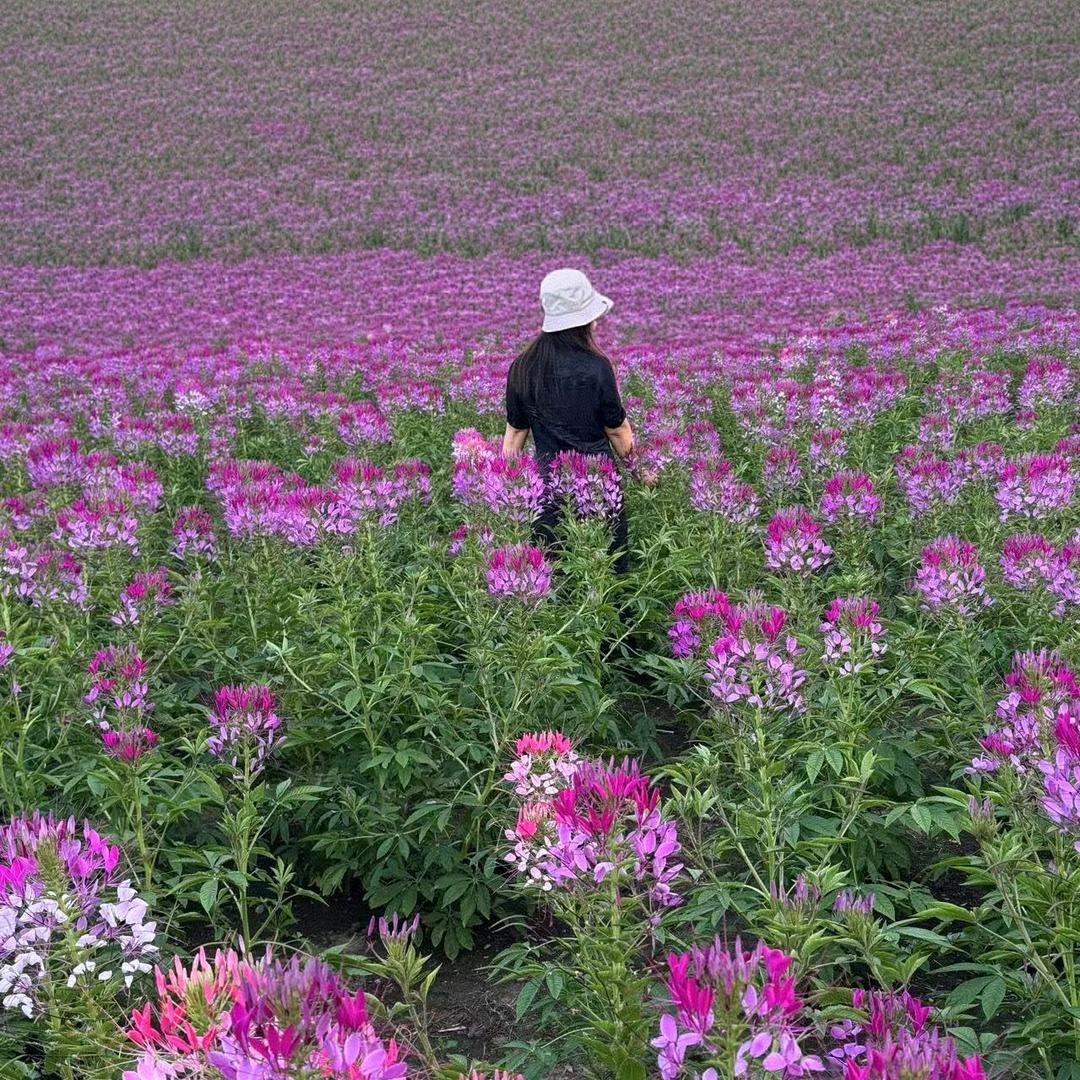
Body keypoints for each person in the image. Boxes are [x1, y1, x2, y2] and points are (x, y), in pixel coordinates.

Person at [503, 267, 635, 573]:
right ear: (582, 320)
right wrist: (639, 472)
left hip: (546, 489)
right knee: (609, 575)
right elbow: (617, 432)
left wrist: (507, 489)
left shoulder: (523, 366)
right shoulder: (596, 367)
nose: (597, 321)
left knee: (552, 578)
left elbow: (514, 437)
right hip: (598, 485)